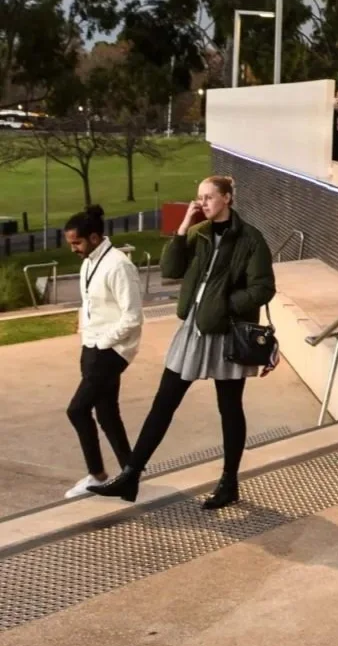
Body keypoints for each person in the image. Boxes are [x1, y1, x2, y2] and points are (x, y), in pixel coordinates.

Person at [89, 176, 276, 509]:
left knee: (230, 408)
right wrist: (183, 226)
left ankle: (229, 483)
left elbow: (263, 288)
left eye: (208, 197)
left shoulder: (251, 239)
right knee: (164, 402)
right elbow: (171, 269)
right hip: (193, 329)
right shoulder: (198, 233)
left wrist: (224, 304)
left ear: (227, 198)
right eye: (199, 197)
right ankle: (130, 475)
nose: (202, 202)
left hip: (226, 332)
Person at [63, 206, 142, 498]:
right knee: (107, 414)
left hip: (110, 350)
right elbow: (90, 303)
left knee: (77, 409)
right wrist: (86, 333)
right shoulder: (88, 263)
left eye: (77, 243)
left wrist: (104, 342)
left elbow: (133, 316)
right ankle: (130, 476)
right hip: (92, 346)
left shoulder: (119, 266)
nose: (73, 249)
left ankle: (97, 475)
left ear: (94, 237)